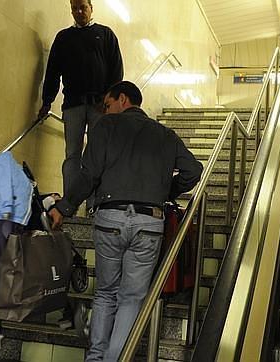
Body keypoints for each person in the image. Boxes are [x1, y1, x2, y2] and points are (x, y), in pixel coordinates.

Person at [48, 81, 203, 361]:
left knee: (106, 293)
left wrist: (64, 207)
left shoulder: (106, 127)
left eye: (107, 105)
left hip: (111, 217)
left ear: (123, 99)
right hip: (149, 223)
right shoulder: (165, 135)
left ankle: (95, 358)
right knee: (132, 298)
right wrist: (164, 191)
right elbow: (194, 170)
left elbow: (88, 174)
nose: (106, 112)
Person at [38, 0, 124, 209]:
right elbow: (52, 73)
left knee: (95, 155)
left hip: (99, 106)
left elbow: (116, 70)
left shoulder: (105, 34)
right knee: (72, 155)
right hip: (73, 105)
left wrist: (109, 102)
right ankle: (70, 203)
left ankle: (94, 205)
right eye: (75, 8)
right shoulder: (63, 37)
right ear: (71, 10)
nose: (79, 12)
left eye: (83, 7)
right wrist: (47, 101)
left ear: (91, 8)